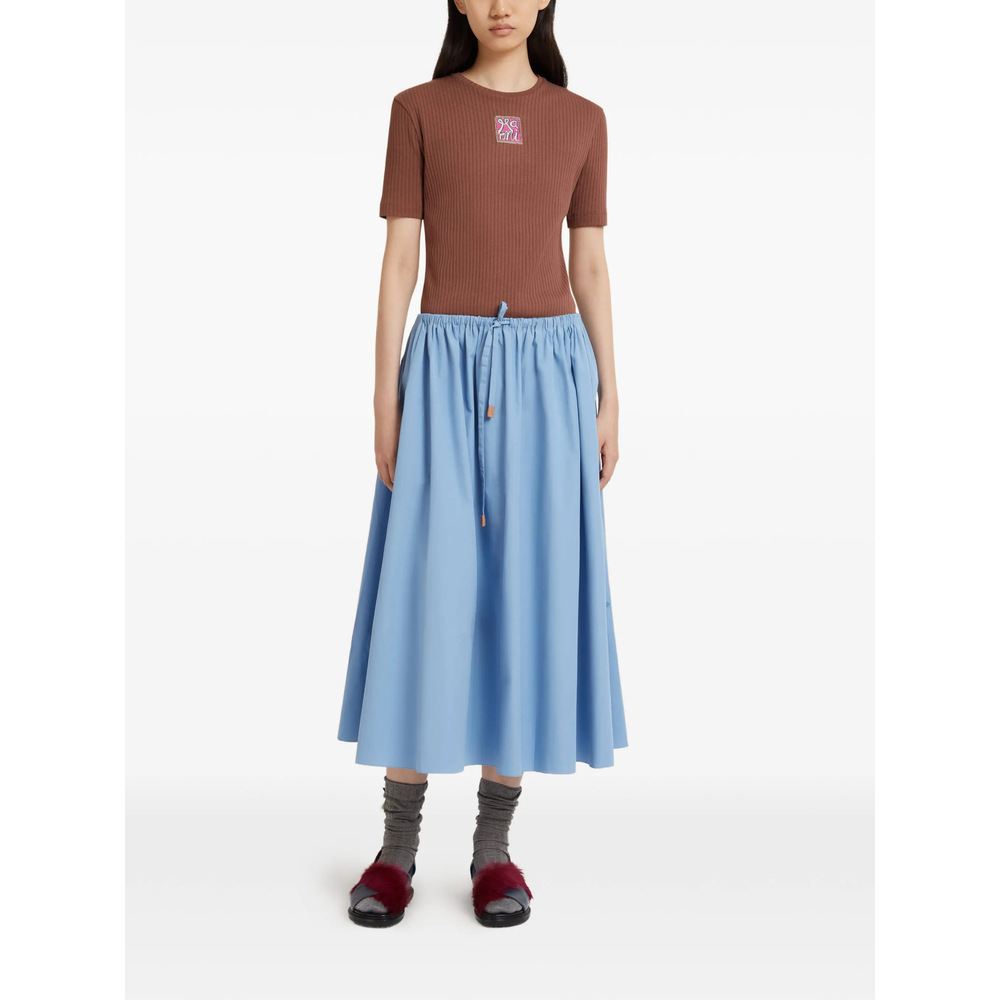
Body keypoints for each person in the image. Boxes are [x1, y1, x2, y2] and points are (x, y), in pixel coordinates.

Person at [338, 0, 628, 928]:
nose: (501, 1)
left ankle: (494, 850)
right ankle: (396, 849)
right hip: (441, 368)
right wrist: (385, 393)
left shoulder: (582, 122)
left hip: (550, 374)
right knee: (426, 596)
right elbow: (399, 262)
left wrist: (609, 393)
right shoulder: (419, 110)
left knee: (524, 599)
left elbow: (589, 264)